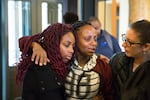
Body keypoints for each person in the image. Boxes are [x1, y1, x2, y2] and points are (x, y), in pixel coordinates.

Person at [18, 21, 114, 100]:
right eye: (87, 39)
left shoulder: (102, 66)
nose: (94, 44)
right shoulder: (63, 64)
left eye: (95, 39)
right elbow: (28, 39)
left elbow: (110, 94)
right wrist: (35, 45)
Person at [16, 23, 76, 100]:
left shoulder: (66, 66)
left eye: (73, 47)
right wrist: (35, 45)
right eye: (67, 45)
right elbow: (22, 40)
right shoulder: (40, 66)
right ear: (54, 44)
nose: (71, 50)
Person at [109, 20, 150, 100]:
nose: (123, 45)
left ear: (146, 47)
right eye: (125, 39)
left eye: (130, 43)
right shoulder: (116, 61)